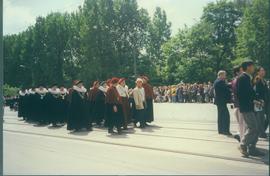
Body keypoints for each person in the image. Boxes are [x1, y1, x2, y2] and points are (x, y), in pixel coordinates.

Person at [237, 60, 264, 157]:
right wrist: (255, 100)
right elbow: (244, 94)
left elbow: (249, 93)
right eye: (253, 66)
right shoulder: (243, 78)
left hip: (250, 106)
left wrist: (256, 100)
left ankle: (252, 148)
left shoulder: (247, 78)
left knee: (255, 127)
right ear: (248, 67)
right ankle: (243, 144)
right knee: (254, 127)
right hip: (247, 107)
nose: (254, 68)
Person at [213, 70, 232, 135]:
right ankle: (225, 130)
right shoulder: (220, 82)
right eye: (224, 75)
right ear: (220, 75)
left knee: (221, 116)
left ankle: (221, 130)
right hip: (221, 101)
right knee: (226, 116)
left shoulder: (217, 81)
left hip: (219, 101)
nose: (225, 76)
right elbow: (226, 89)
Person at [253, 67, 268, 138]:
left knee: (264, 118)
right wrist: (259, 100)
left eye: (264, 70)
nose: (263, 72)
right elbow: (256, 92)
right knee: (260, 118)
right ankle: (260, 133)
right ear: (258, 72)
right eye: (261, 71)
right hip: (260, 102)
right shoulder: (257, 80)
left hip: (265, 101)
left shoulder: (264, 80)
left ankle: (261, 131)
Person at [231, 65, 245, 142]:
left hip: (237, 105)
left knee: (240, 123)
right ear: (237, 72)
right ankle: (242, 138)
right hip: (240, 105)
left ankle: (239, 133)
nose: (243, 71)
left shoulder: (234, 80)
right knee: (242, 123)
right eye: (241, 70)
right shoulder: (239, 80)